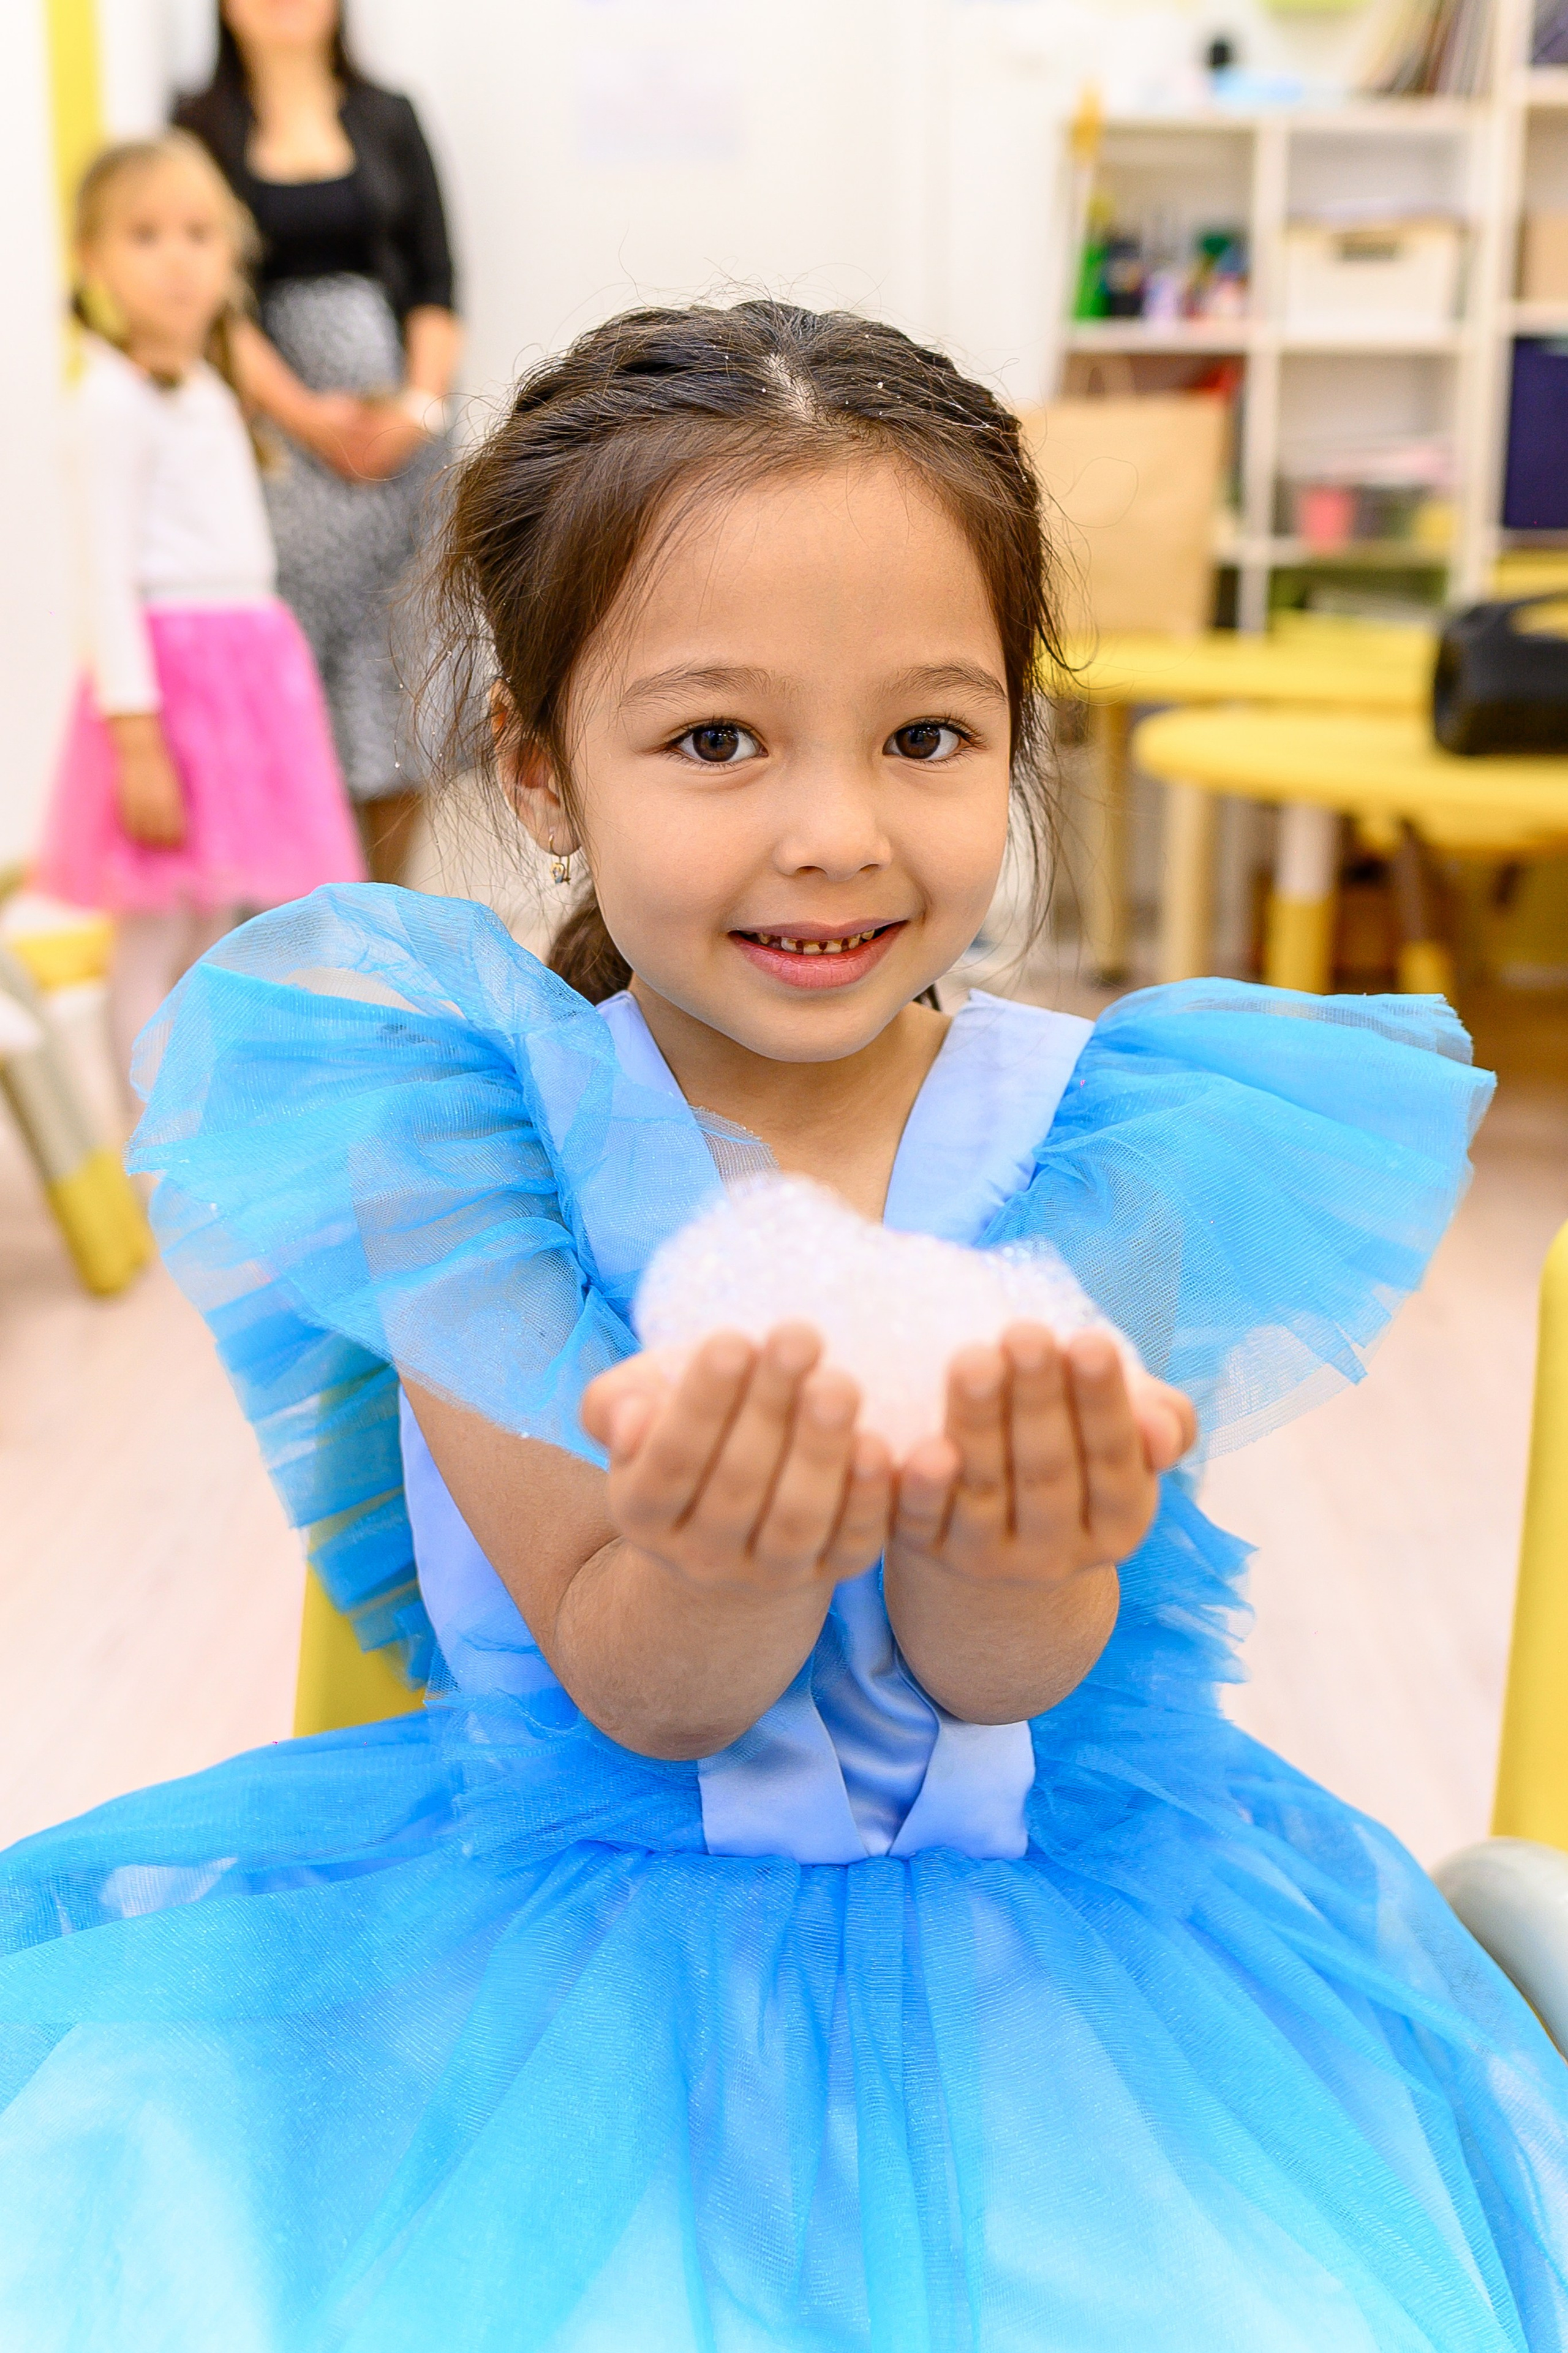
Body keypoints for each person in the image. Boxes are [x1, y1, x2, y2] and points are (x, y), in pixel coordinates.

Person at [2, 300, 1564, 2348]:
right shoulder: (462, 1135)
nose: (834, 830)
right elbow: (646, 1686)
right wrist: (725, 1549)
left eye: (927, 737)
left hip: (1081, 1970)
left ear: (1017, 740)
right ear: (542, 771)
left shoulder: (1112, 1137)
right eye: (717, 740)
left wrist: (1015, 1546)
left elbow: (1006, 1673)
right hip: (559, 1964)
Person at [33, 133, 364, 1106]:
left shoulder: (210, 387)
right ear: (92, 261)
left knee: (213, 915)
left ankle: (201, 1111)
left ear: (232, 257)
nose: (178, 258)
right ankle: (152, 1135)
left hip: (242, 666)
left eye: (199, 234)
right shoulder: (112, 403)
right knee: (154, 922)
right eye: (145, 236)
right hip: (175, 688)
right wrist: (135, 739)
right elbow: (108, 585)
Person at [175, 0, 461, 886]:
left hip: (399, 445)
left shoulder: (389, 115)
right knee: (301, 682)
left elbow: (439, 280)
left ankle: (392, 914)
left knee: (398, 672)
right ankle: (309, 914)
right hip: (276, 449)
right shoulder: (197, 125)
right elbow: (212, 300)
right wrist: (303, 416)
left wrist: (415, 410)